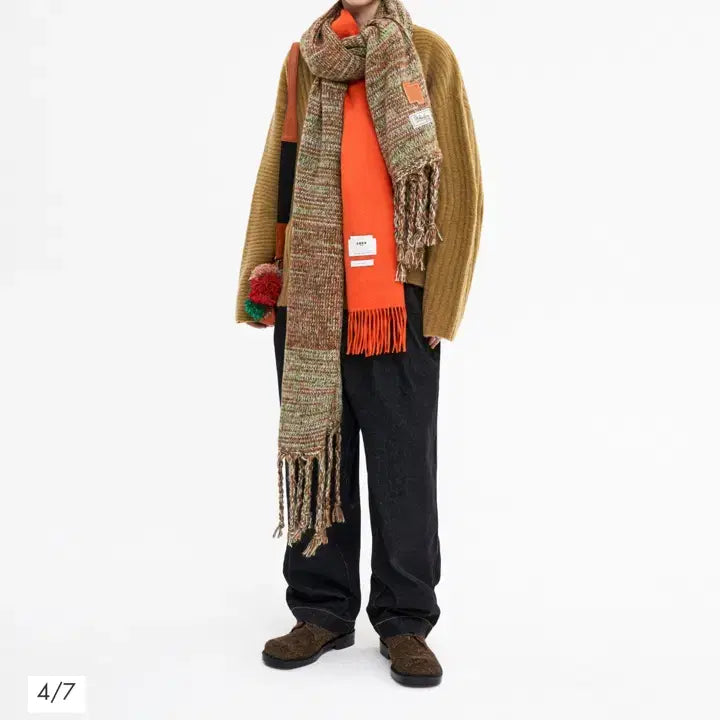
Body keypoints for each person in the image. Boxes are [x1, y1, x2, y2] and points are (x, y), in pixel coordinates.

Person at [236, 0, 482, 687]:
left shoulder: (426, 55)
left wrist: (443, 301)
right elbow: (278, 170)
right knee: (317, 449)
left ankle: (405, 621)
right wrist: (259, 275)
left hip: (395, 298)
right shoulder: (304, 59)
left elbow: (460, 187)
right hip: (310, 292)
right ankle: (322, 609)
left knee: (404, 463)